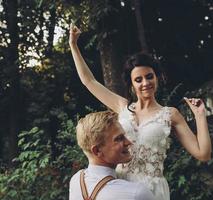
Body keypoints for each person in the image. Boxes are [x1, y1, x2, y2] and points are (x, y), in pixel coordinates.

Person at [69, 24, 212, 200]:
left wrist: (199, 115)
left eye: (149, 76)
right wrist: (74, 46)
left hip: (152, 190)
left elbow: (203, 154)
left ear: (157, 77)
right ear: (132, 84)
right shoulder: (122, 106)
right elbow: (89, 81)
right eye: (138, 79)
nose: (145, 83)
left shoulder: (170, 114)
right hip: (118, 185)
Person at [69, 110, 155, 200]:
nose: (128, 142)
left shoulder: (76, 180)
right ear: (97, 150)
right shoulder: (136, 193)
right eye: (119, 139)